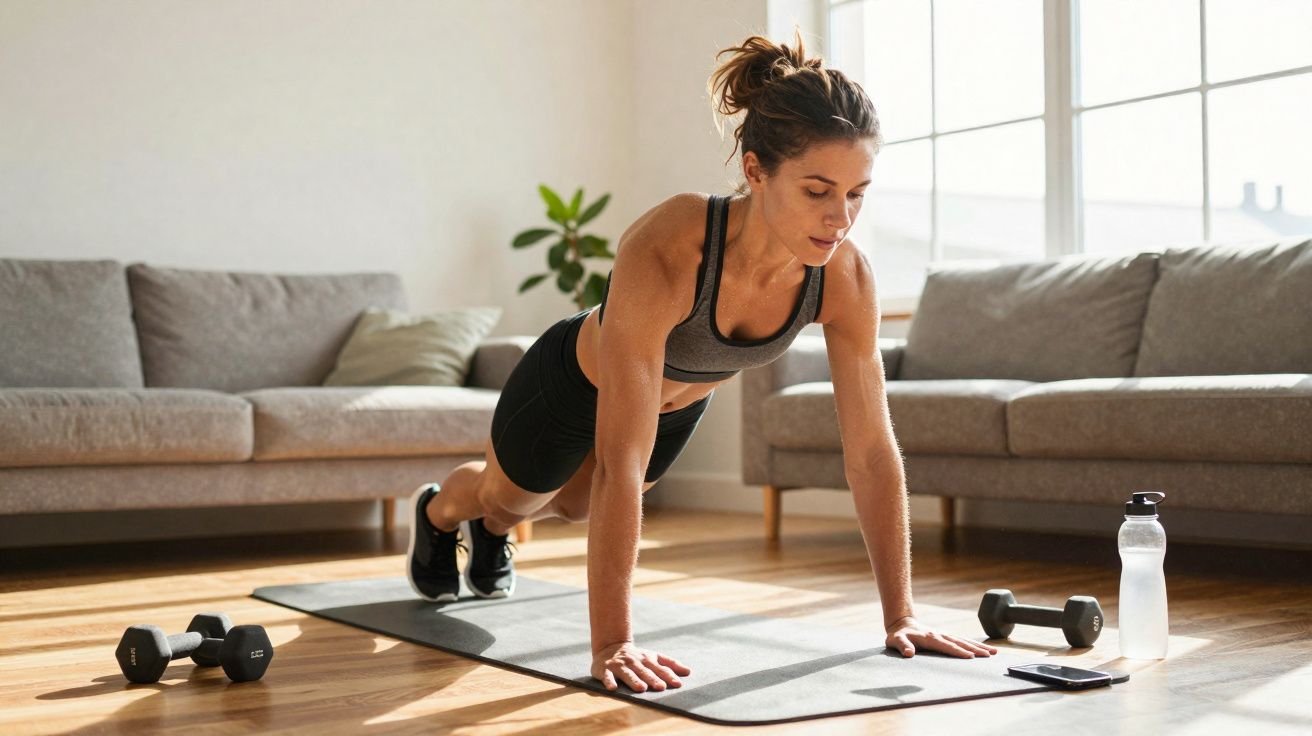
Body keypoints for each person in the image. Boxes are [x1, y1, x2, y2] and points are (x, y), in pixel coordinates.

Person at [406, 30, 997, 694]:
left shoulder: (845, 278)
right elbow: (623, 457)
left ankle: (493, 533)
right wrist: (613, 643)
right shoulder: (673, 245)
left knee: (574, 508)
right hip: (572, 384)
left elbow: (870, 450)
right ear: (755, 171)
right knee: (509, 497)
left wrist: (903, 614)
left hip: (677, 406)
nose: (841, 218)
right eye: (817, 191)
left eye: (857, 193)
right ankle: (443, 515)